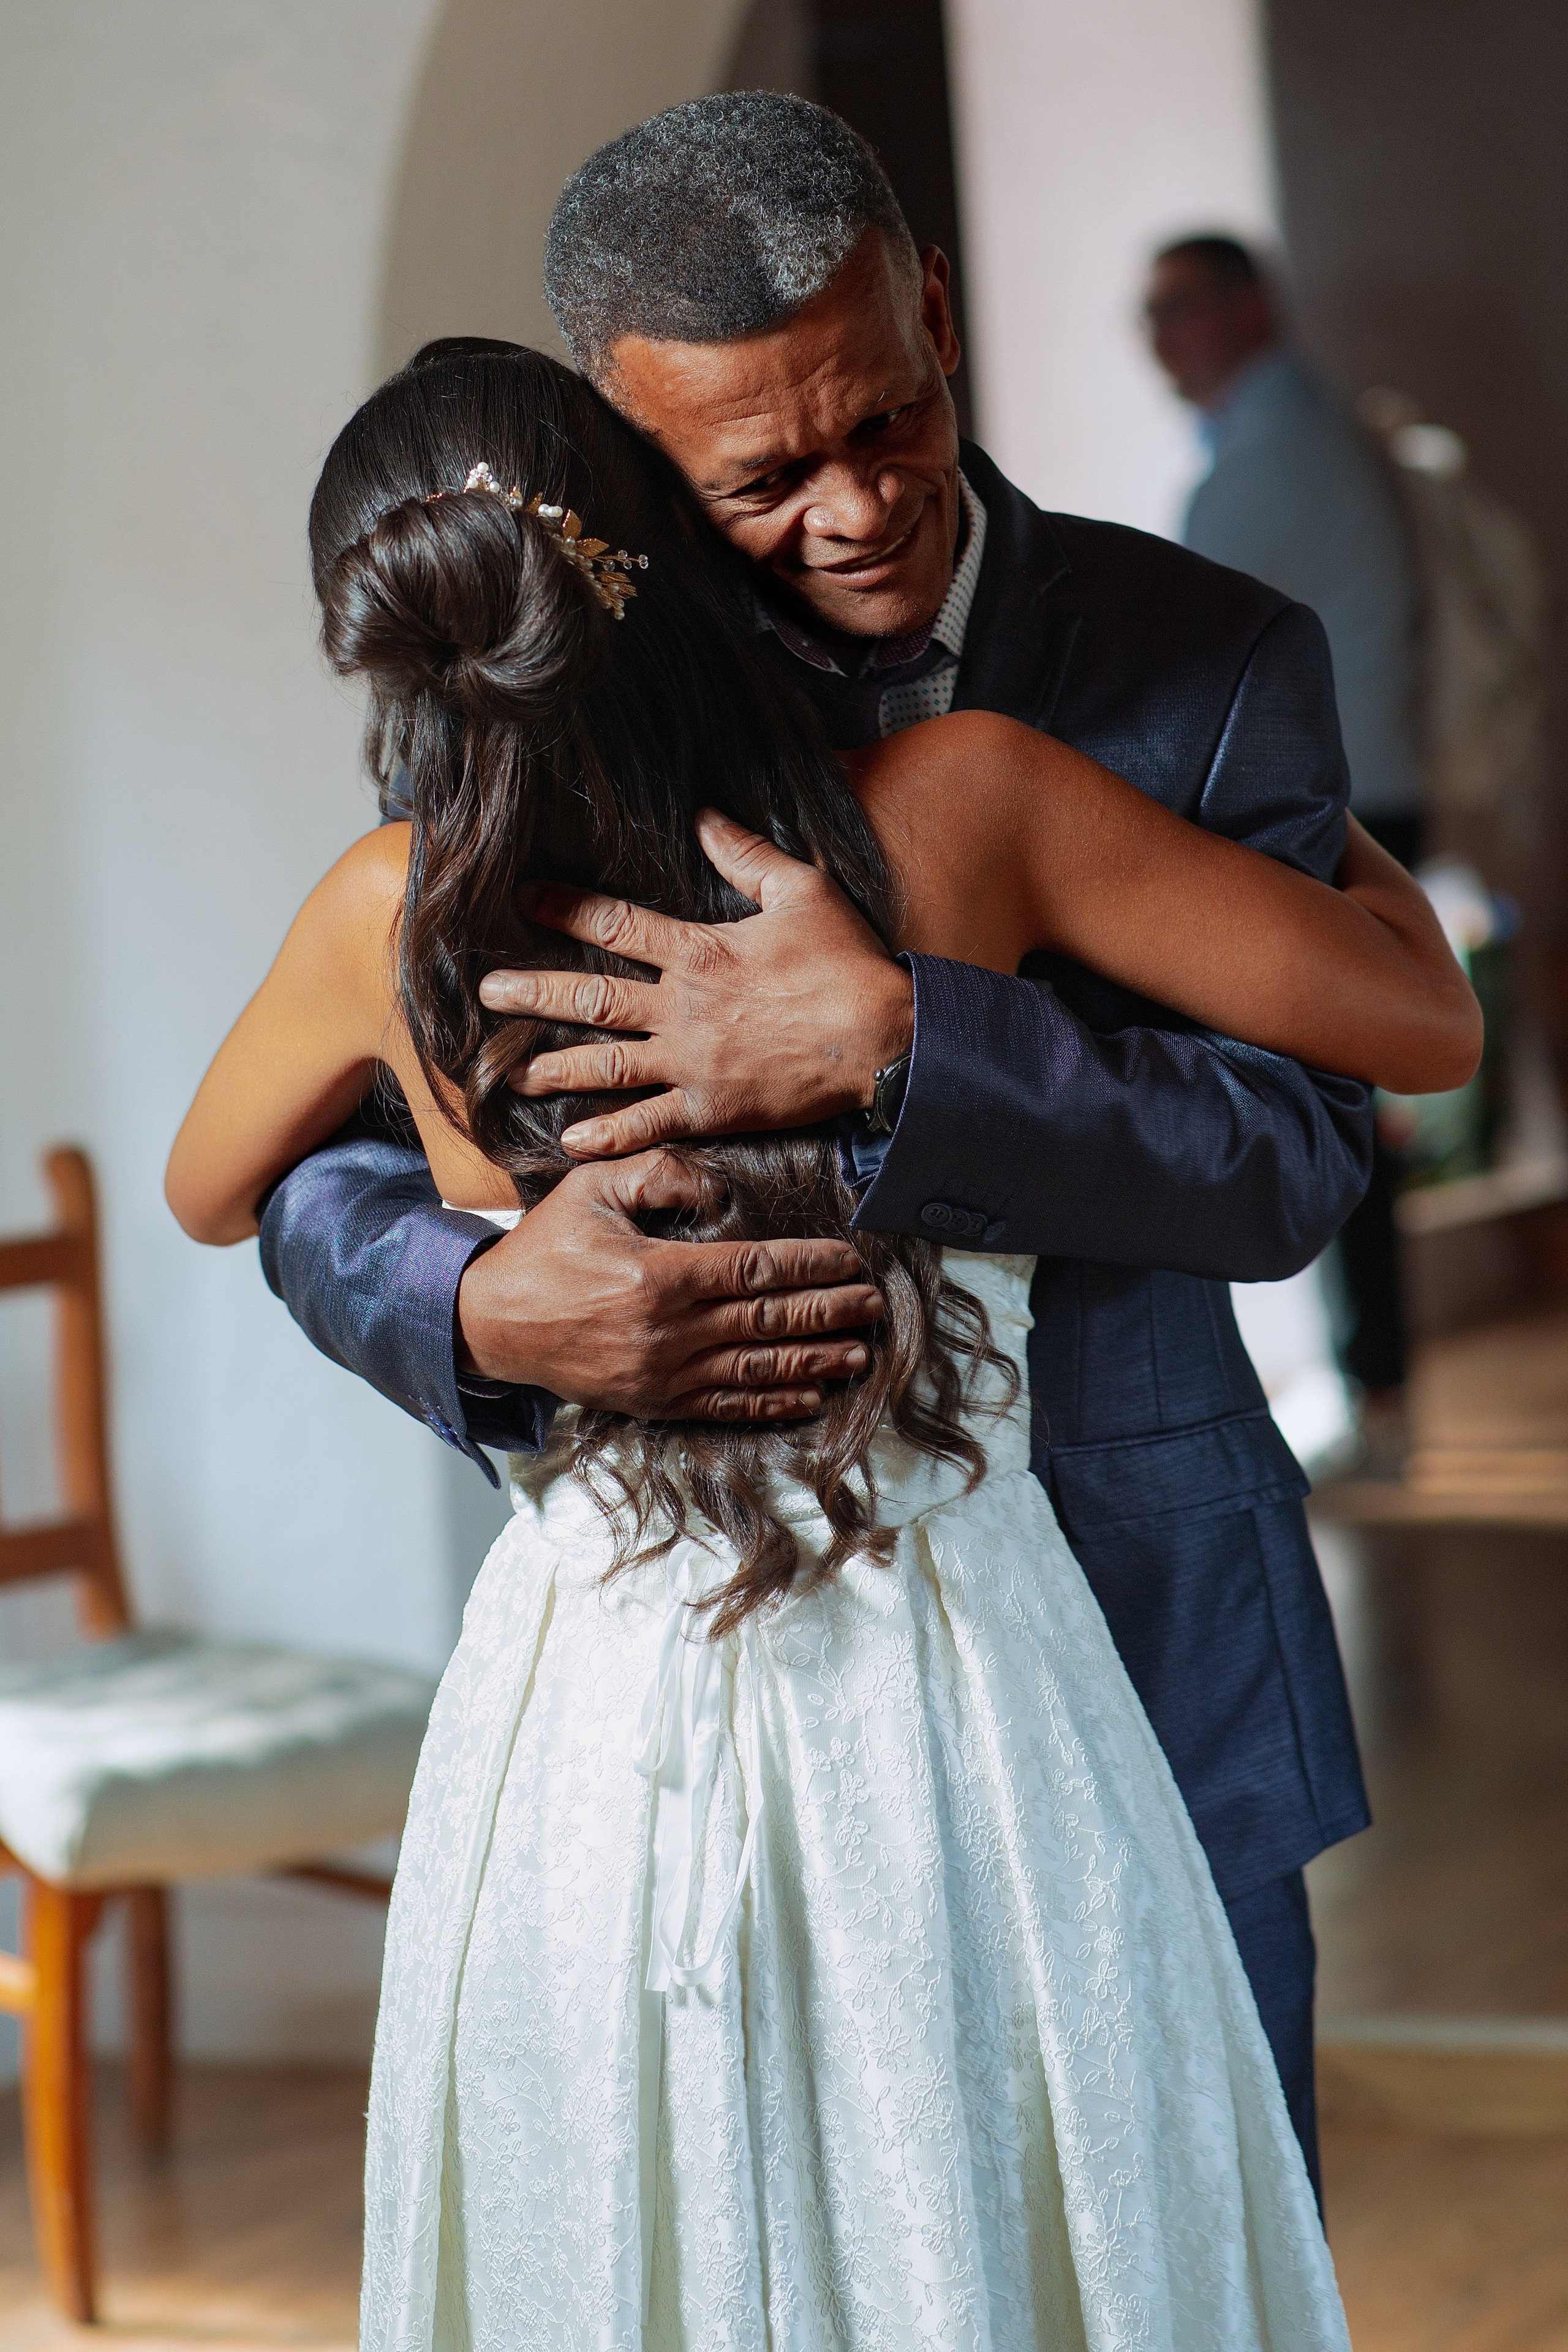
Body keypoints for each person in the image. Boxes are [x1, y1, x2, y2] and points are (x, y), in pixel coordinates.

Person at [167, 342, 1474, 2350]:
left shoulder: (390, 915)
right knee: (1020, 2244)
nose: (853, 510)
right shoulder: (962, 810)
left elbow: (206, 1182)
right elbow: (1416, 1017)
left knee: (648, 2245)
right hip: (965, 1657)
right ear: (663, 542)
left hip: (598, 1709)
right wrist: (477, 1305)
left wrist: (854, 1056)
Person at [1144, 231, 1425, 1436]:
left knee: (1327, 1088)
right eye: (1144, 316)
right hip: (1366, 795)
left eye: (1179, 307)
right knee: (1346, 1083)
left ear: (1249, 305)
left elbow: (1178, 666)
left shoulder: (1269, 461)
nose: (1158, 339)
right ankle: (1370, 1374)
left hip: (1327, 814)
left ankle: (1367, 1380)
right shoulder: (1299, 437)